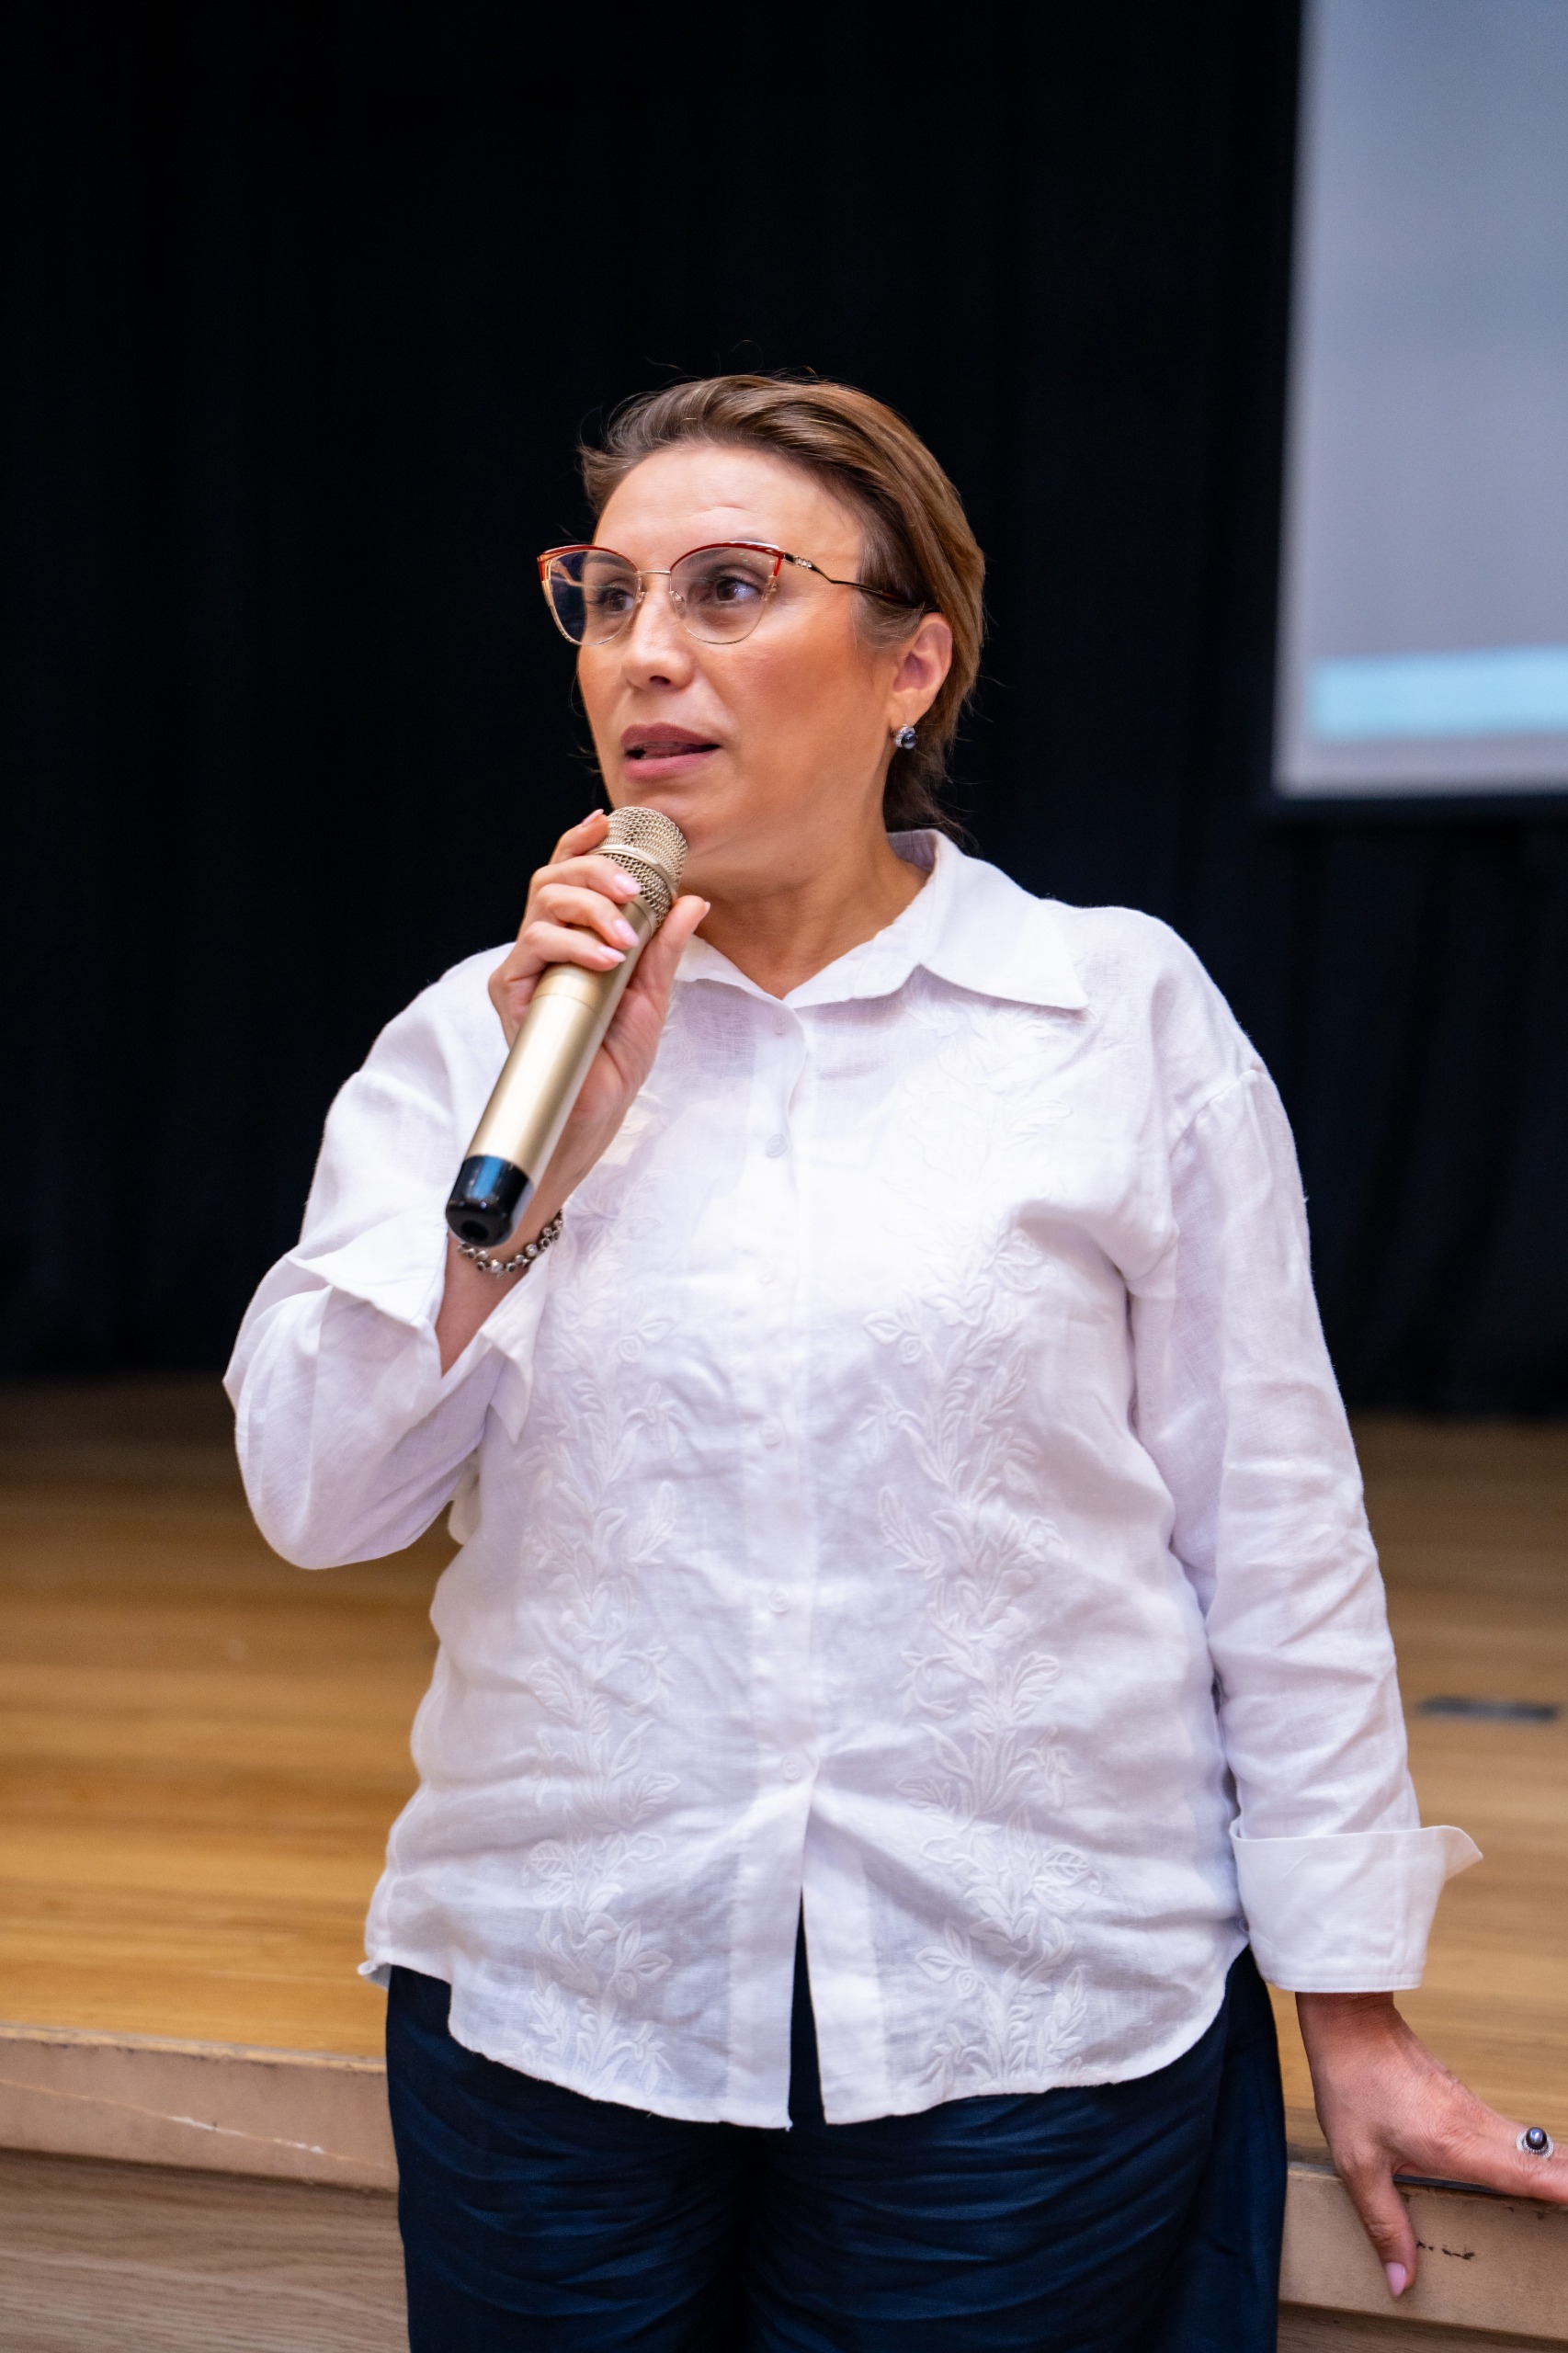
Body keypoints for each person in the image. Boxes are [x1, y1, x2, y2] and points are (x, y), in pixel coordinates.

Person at [226, 375, 1562, 2351]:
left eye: (729, 587)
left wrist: (1350, 2012)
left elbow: (1274, 1534)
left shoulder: (1110, 1012)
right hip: (567, 1994)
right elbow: (317, 1499)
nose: (646, 650)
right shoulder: (474, 1043)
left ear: (908, 667)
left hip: (1024, 2015)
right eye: (606, 595)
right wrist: (527, 1184)